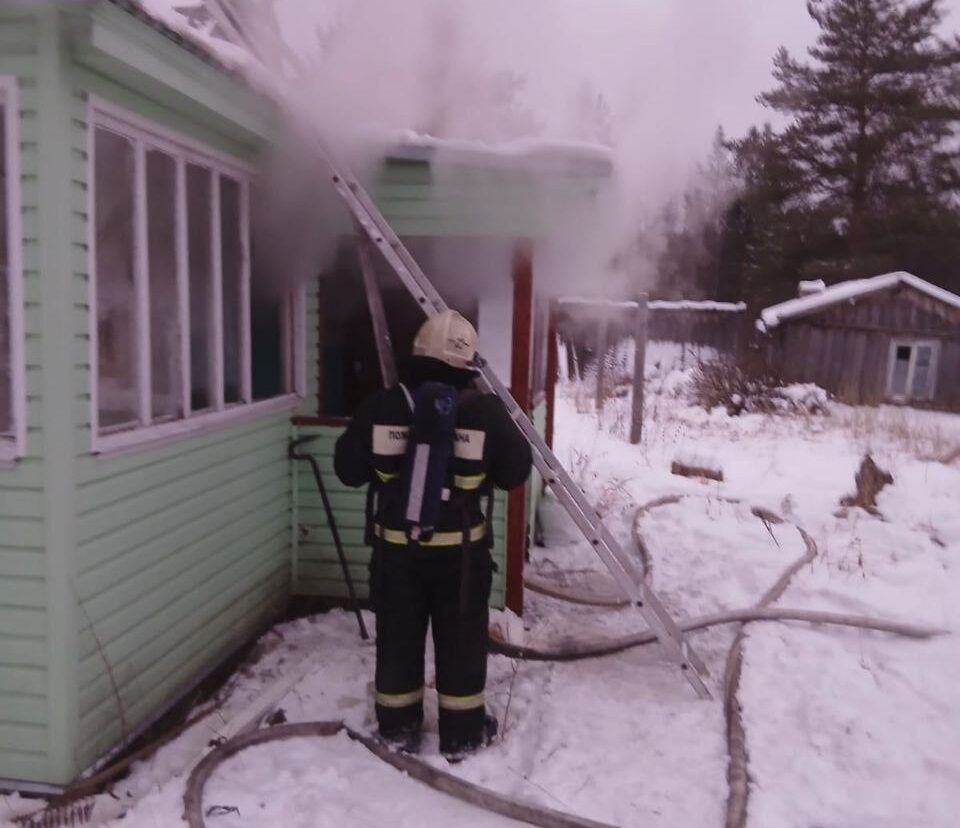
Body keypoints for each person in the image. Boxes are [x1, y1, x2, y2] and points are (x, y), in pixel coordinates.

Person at [334, 310, 532, 760]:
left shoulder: (382, 405)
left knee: (398, 638)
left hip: (395, 552)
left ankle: (398, 727)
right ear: (464, 361)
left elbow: (347, 470)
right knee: (462, 642)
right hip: (461, 556)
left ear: (418, 352)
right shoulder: (483, 410)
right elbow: (515, 472)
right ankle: (462, 734)